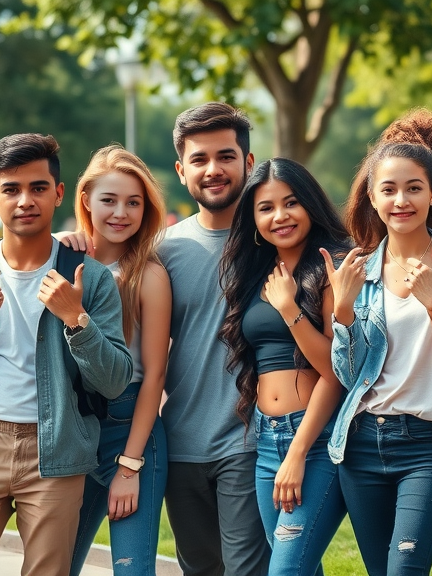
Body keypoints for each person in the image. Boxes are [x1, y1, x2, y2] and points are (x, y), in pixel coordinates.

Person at [0, 133, 131, 575]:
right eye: (11, 189)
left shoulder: (90, 277)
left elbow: (115, 379)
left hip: (57, 448)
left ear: (58, 193)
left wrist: (76, 320)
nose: (25, 200)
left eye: (38, 187)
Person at [327, 110, 432, 575]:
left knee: (404, 569)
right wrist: (343, 312)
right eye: (388, 189)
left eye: (413, 188)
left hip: (428, 445)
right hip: (361, 444)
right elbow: (348, 377)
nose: (400, 200)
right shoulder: (356, 272)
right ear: (372, 196)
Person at [218, 158, 350, 576]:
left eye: (291, 203)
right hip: (266, 440)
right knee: (298, 567)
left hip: (314, 441)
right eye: (265, 208)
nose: (280, 216)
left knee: (286, 570)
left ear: (310, 204)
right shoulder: (256, 273)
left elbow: (337, 371)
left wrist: (290, 309)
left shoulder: (333, 267)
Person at [158, 103, 267, 575]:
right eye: (199, 159)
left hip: (249, 442)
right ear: (182, 171)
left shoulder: (275, 238)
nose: (213, 169)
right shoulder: (163, 251)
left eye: (225, 156)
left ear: (248, 161)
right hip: (180, 443)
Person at [67, 145, 170, 576]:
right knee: (56, 565)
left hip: (130, 430)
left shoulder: (149, 275)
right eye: (109, 200)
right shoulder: (61, 259)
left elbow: (155, 376)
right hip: (73, 427)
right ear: (86, 198)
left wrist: (129, 466)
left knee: (132, 569)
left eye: (134, 202)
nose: (121, 213)